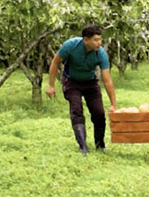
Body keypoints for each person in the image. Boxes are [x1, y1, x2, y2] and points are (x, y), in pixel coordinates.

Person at [47, 25, 117, 155]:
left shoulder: (101, 53)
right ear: (86, 40)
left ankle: (100, 145)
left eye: (100, 39)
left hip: (90, 82)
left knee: (99, 113)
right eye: (96, 40)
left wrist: (113, 104)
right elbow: (55, 62)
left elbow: (107, 80)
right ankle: (82, 146)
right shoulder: (71, 45)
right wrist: (51, 86)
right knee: (76, 110)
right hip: (72, 82)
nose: (99, 43)